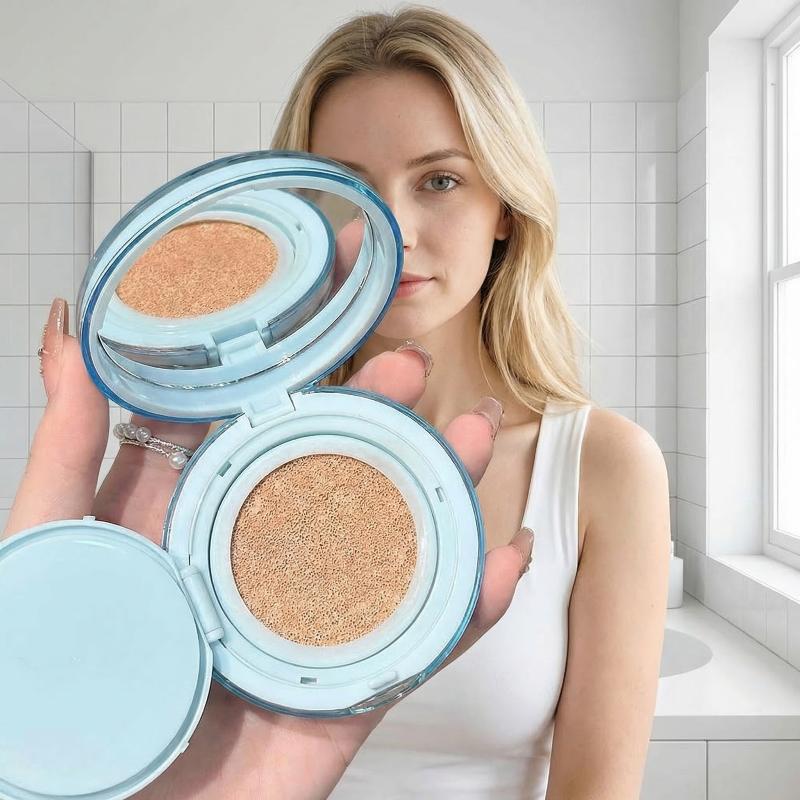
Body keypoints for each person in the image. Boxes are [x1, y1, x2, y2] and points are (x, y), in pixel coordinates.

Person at [272, 5, 670, 799]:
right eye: (350, 187)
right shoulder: (241, 456)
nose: (393, 230)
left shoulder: (604, 467)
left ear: (506, 209)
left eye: (440, 181)